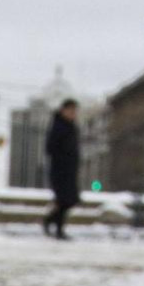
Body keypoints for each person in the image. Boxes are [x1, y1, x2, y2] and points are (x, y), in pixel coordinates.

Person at [43, 100, 82, 240]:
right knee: (63, 200)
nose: (73, 114)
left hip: (70, 170)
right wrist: (63, 157)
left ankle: (50, 222)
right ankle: (58, 229)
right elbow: (50, 148)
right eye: (70, 111)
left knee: (69, 200)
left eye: (74, 111)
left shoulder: (72, 127)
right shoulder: (58, 126)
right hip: (59, 170)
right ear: (63, 110)